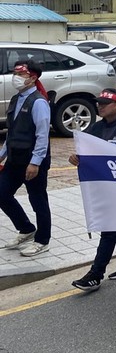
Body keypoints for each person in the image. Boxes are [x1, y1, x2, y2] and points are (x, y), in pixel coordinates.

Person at [70, 89, 116, 291]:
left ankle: (96, 274)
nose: (100, 106)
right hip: (103, 188)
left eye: (105, 103)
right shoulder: (95, 128)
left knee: (109, 228)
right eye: (99, 103)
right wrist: (76, 159)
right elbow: (86, 154)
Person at [0, 60, 52, 257]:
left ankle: (42, 240)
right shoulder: (16, 99)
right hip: (15, 159)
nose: (16, 78)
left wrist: (35, 163)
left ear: (33, 78)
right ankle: (26, 229)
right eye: (15, 73)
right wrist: (2, 156)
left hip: (32, 162)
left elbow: (42, 135)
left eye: (21, 74)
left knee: (38, 201)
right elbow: (12, 132)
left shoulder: (38, 102)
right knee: (2, 194)